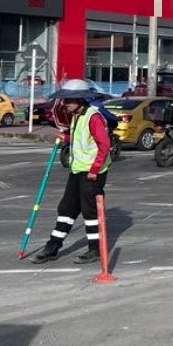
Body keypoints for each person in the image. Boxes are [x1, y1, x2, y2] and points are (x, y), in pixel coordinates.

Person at [30, 90, 114, 264]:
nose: (65, 104)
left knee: (89, 211)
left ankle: (95, 249)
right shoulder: (77, 116)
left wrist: (94, 169)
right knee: (67, 209)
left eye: (69, 101)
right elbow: (81, 139)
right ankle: (53, 247)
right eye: (65, 101)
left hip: (92, 173)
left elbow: (104, 145)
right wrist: (67, 137)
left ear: (79, 101)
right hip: (77, 170)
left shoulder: (93, 116)